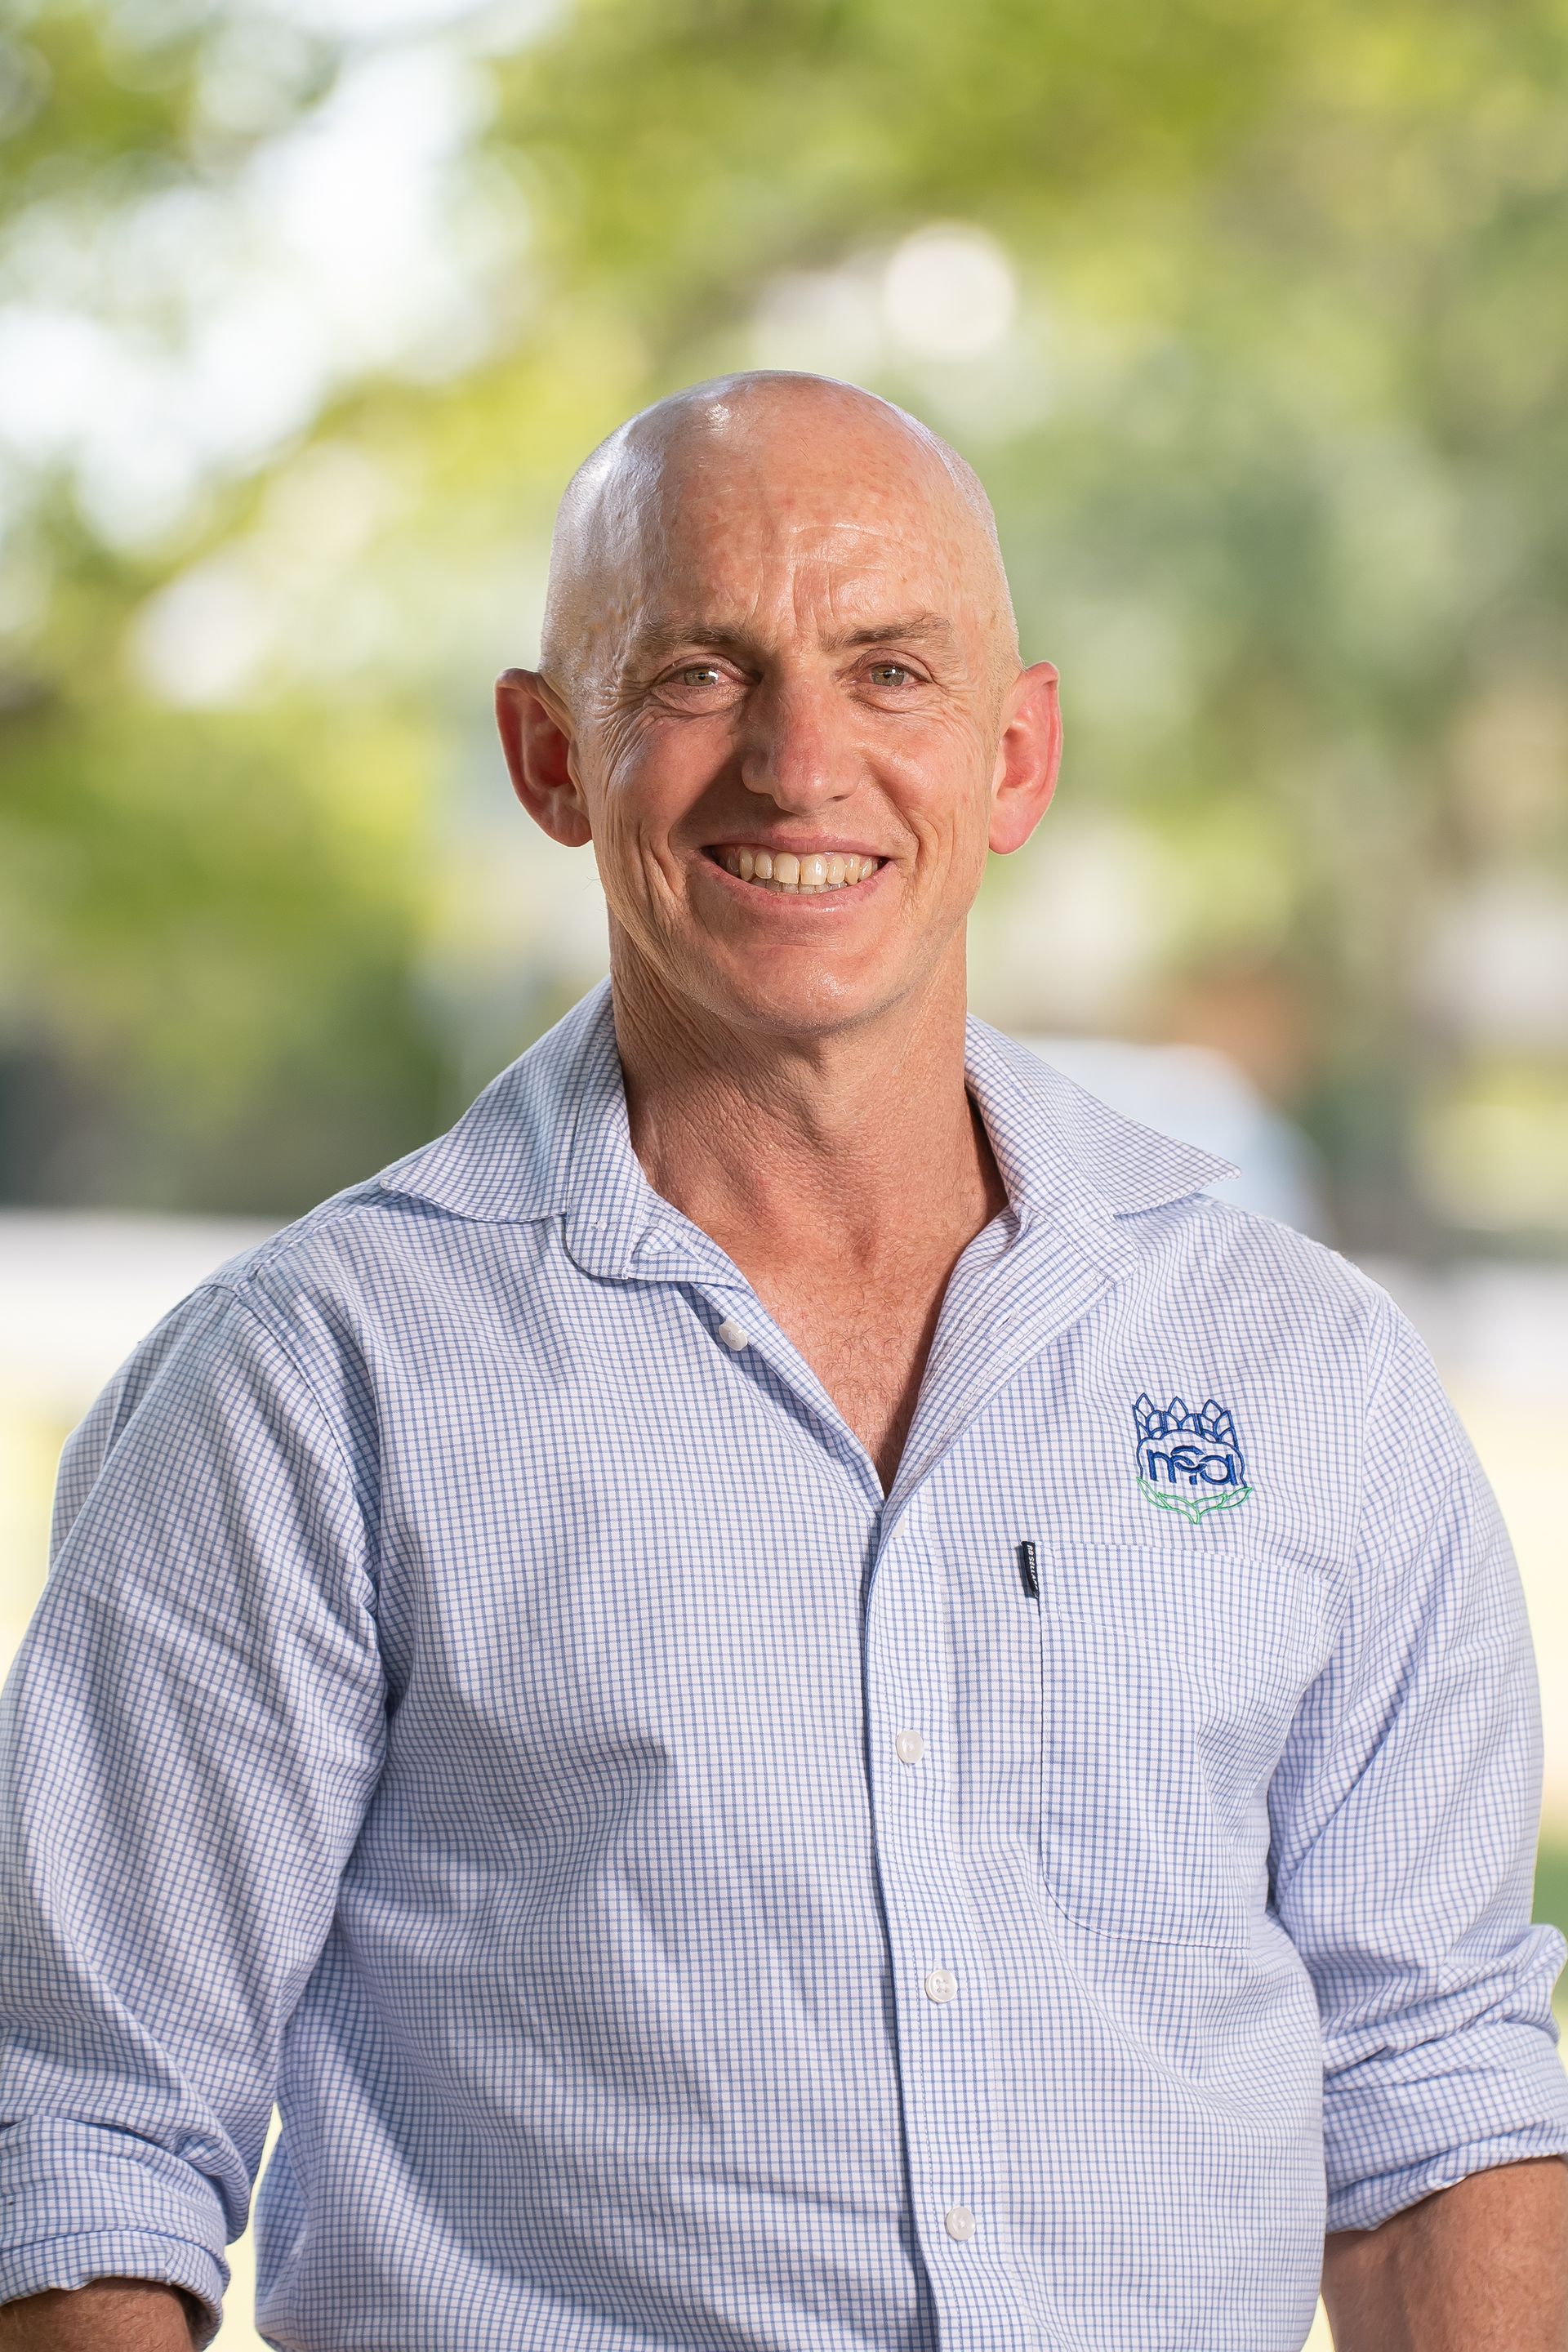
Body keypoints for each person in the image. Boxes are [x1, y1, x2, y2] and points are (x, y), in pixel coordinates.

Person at [1, 372, 1565, 2352]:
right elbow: (85, 2135)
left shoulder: (1303, 1371)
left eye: (891, 672)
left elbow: (1433, 2087)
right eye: (698, 674)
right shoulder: (311, 1392)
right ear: (549, 753)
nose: (800, 762)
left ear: (1016, 759)